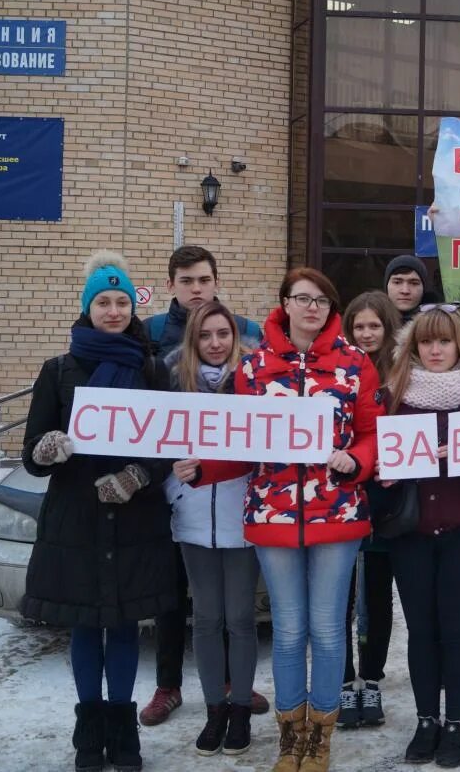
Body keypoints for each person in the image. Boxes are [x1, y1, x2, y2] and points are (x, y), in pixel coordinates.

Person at [174, 267, 382, 772]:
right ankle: (291, 738)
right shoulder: (254, 368)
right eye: (302, 298)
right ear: (285, 303)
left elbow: (374, 433)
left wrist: (358, 459)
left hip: (337, 511)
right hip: (273, 513)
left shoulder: (355, 365)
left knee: (328, 631)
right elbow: (243, 447)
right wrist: (204, 468)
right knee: (289, 632)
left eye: (323, 301)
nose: (313, 307)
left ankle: (320, 737)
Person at [21, 251, 178, 772]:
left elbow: (167, 445)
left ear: (133, 308)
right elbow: (31, 451)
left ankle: (123, 728)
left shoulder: (153, 369)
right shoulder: (58, 369)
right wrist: (48, 450)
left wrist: (137, 476)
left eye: (122, 302)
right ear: (88, 307)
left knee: (128, 627)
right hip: (77, 518)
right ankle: (89, 728)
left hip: (135, 520)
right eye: (103, 302)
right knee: (86, 627)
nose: (113, 311)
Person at [140, 244, 265, 727]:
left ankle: (234, 687)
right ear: (172, 284)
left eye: (204, 281)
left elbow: (270, 432)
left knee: (234, 611)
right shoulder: (154, 343)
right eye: (188, 281)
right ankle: (169, 685)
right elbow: (150, 428)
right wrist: (171, 479)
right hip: (187, 509)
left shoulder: (250, 356)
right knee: (178, 601)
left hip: (236, 509)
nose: (197, 289)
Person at [383, 304, 460, 767]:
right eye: (426, 342)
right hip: (412, 535)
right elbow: (376, 462)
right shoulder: (394, 395)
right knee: (420, 631)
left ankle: (455, 723)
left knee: (457, 631)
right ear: (413, 347)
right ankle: (426, 720)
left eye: (444, 341)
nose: (435, 350)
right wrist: (385, 476)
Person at [163, 301, 259, 757]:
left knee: (240, 618)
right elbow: (152, 443)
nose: (216, 343)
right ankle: (214, 709)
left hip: (243, 514)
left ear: (235, 338)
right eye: (206, 335)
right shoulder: (172, 382)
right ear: (193, 340)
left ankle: (240, 707)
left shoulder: (254, 382)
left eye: (223, 334)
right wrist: (173, 487)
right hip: (194, 515)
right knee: (205, 618)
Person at [336, 291, 402, 730]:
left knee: (376, 597)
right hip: (342, 497)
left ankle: (372, 677)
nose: (365, 334)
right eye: (358, 327)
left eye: (374, 326)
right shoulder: (338, 371)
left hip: (387, 500)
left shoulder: (404, 372)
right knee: (339, 597)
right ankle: (342, 681)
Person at [384, 255, 431, 321]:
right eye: (397, 282)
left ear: (424, 287)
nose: (405, 291)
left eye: (414, 283)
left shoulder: (439, 326)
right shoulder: (370, 323)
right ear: (386, 285)